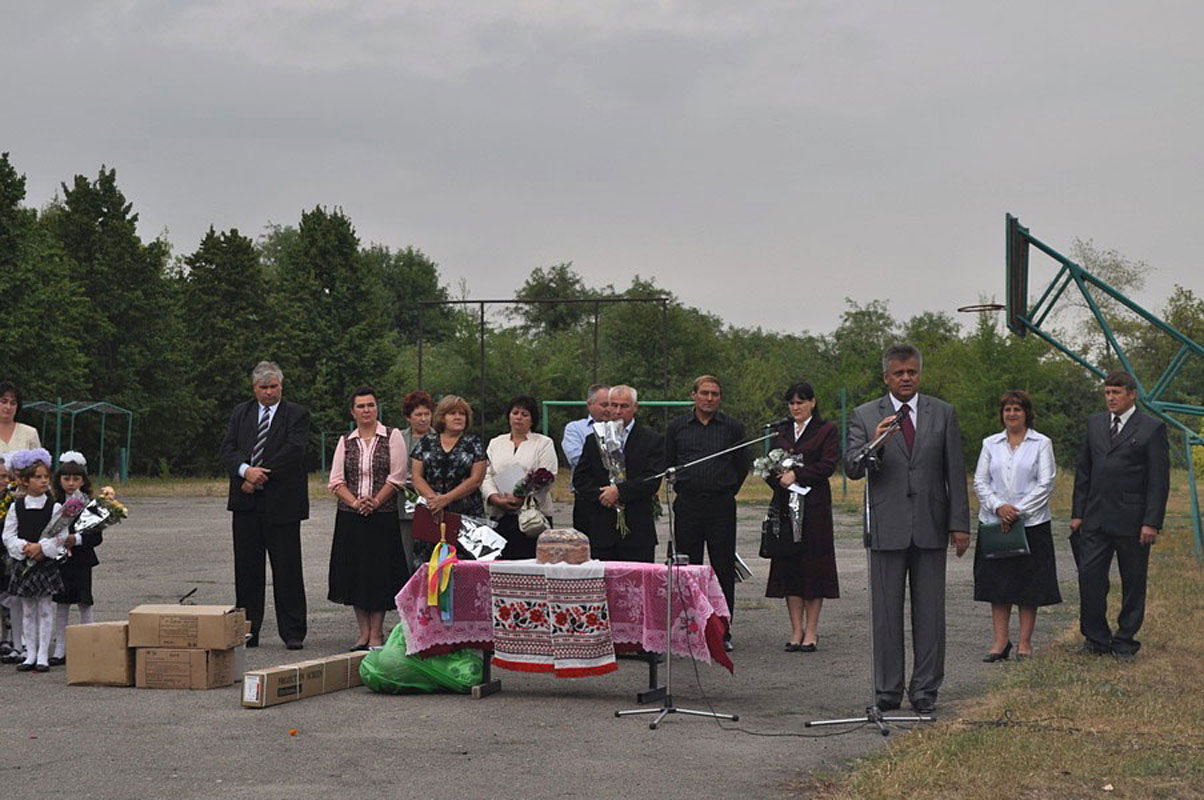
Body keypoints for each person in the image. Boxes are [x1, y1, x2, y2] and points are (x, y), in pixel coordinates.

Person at [844, 344, 970, 715]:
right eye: (898, 373)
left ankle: (925, 689)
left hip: (930, 524)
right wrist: (877, 443)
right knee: (886, 614)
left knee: (930, 614)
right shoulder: (865, 415)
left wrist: (959, 524)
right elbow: (852, 467)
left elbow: (954, 472)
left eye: (911, 372)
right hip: (886, 526)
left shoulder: (943, 413)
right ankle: (887, 689)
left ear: (919, 374)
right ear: (886, 377)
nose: (906, 378)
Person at [1070, 370, 1170, 661]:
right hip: (1095, 518)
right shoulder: (1095, 424)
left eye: (1116, 392)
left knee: (1133, 582)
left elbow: (1158, 481)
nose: (1111, 398)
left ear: (1131, 394)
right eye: (1107, 393)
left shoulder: (1151, 428)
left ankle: (1125, 639)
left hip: (1133, 521)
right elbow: (1084, 471)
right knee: (1089, 578)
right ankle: (1096, 638)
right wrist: (1078, 513)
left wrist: (1151, 522)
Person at [219, 361, 310, 650]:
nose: (269, 392)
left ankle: (293, 631)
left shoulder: (296, 414)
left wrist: (259, 475)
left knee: (287, 570)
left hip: (283, 504)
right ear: (254, 388)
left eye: (274, 387)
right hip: (246, 505)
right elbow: (228, 448)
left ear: (281, 386)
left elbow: (294, 450)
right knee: (247, 570)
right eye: (263, 387)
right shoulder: (241, 413)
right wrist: (245, 471)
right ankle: (248, 630)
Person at [972, 391, 1061, 662]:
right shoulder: (990, 444)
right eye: (1007, 409)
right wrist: (999, 507)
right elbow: (980, 481)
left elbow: (1046, 482)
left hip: (1031, 524)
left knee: (1028, 586)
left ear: (1027, 413)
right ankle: (1000, 643)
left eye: (1017, 409)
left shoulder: (1041, 443)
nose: (1012, 414)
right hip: (995, 523)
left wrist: (1017, 512)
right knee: (997, 586)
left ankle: (1025, 643)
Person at [665, 375, 748, 649]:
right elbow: (668, 461)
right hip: (688, 504)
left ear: (720, 397)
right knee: (688, 570)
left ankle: (722, 632)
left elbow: (741, 465)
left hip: (720, 505)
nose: (709, 398)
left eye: (715, 394)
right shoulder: (677, 427)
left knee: (722, 568)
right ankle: (690, 631)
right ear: (694, 395)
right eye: (704, 393)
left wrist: (726, 489)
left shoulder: (732, 427)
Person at [327, 386, 409, 651]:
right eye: (361, 406)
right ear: (353, 412)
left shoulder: (392, 436)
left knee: (378, 574)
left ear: (377, 408)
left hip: (382, 516)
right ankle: (362, 633)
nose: (366, 410)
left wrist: (375, 501)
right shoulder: (346, 441)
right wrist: (355, 502)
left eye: (370, 405)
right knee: (355, 575)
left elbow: (397, 476)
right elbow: (336, 480)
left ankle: (376, 633)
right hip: (350, 517)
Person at [764, 381, 841, 652]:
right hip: (786, 506)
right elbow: (771, 463)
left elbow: (828, 464)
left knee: (813, 565)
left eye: (801, 402)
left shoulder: (826, 430)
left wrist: (798, 475)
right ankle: (796, 629)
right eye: (792, 403)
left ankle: (812, 630)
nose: (796, 407)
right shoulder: (782, 431)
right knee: (790, 566)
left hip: (814, 507)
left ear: (812, 402)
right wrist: (776, 478)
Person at [572, 385, 664, 562]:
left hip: (637, 531)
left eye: (624, 406)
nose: (618, 411)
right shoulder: (594, 439)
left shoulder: (652, 440)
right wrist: (604, 495)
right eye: (613, 405)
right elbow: (581, 479)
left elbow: (651, 480)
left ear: (635, 407)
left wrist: (620, 491)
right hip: (601, 530)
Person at [1, 448, 64, 672]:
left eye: (46, 477)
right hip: (25, 563)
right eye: (38, 477)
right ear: (25, 481)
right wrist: (24, 547)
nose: (43, 481)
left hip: (44, 563)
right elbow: (8, 535)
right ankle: (30, 653)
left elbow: (61, 536)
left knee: (45, 608)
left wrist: (42, 548)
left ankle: (43, 654)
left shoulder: (55, 507)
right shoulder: (16, 507)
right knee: (27, 609)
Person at [482, 395, 560, 559]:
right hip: (500, 513)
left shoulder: (543, 443)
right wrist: (494, 498)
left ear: (532, 419)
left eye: (525, 414)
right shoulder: (496, 443)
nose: (519, 417)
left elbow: (548, 475)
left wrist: (520, 497)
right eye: (515, 413)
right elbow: (486, 474)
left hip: (532, 517)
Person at [50, 451, 101, 667]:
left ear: (83, 481)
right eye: (66, 478)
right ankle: (60, 648)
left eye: (76, 479)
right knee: (62, 604)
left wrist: (76, 539)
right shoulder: (54, 503)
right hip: (60, 560)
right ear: (59, 480)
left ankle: (89, 647)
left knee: (84, 602)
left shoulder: (90, 504)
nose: (71, 483)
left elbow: (96, 537)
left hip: (81, 560)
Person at [410, 394, 488, 525]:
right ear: (442, 418)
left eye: (462, 414)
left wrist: (446, 499)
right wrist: (435, 501)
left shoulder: (474, 444)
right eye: (452, 413)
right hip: (432, 512)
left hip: (467, 515)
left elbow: (476, 479)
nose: (458, 417)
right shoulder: (426, 442)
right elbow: (416, 477)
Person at [397, 390, 434, 571]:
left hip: (432, 505)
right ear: (408, 417)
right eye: (418, 415)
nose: (423, 419)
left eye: (427, 414)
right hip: (403, 505)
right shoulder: (398, 438)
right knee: (404, 555)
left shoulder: (440, 437)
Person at [562, 384, 611, 473]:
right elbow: (576, 459)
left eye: (612, 405)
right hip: (587, 481)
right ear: (589, 404)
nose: (608, 409)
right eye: (604, 405)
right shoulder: (575, 428)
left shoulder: (621, 428)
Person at [0, 381, 41, 457]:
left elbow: (39, 463)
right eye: (4, 402)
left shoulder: (30, 433)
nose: (8, 407)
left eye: (13, 403)